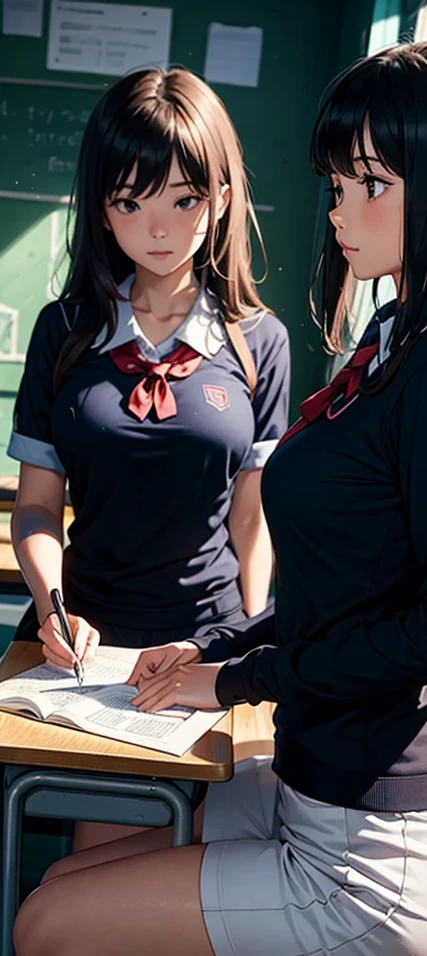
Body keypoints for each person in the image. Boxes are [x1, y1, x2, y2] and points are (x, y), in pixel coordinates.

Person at [13, 41, 427, 956]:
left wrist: (236, 677)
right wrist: (218, 647)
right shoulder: (399, 336)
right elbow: (336, 592)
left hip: (382, 863)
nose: (340, 207)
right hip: (331, 792)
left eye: (371, 182)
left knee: (48, 934)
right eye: (337, 180)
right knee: (58, 893)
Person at [8, 67, 290, 849]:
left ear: (222, 197)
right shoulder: (63, 331)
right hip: (87, 649)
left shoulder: (258, 341)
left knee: (187, 877)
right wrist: (54, 602)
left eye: (183, 199)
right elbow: (36, 507)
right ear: (102, 208)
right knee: (93, 888)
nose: (157, 228)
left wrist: (243, 641)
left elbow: (251, 518)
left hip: (207, 648)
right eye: (130, 202)